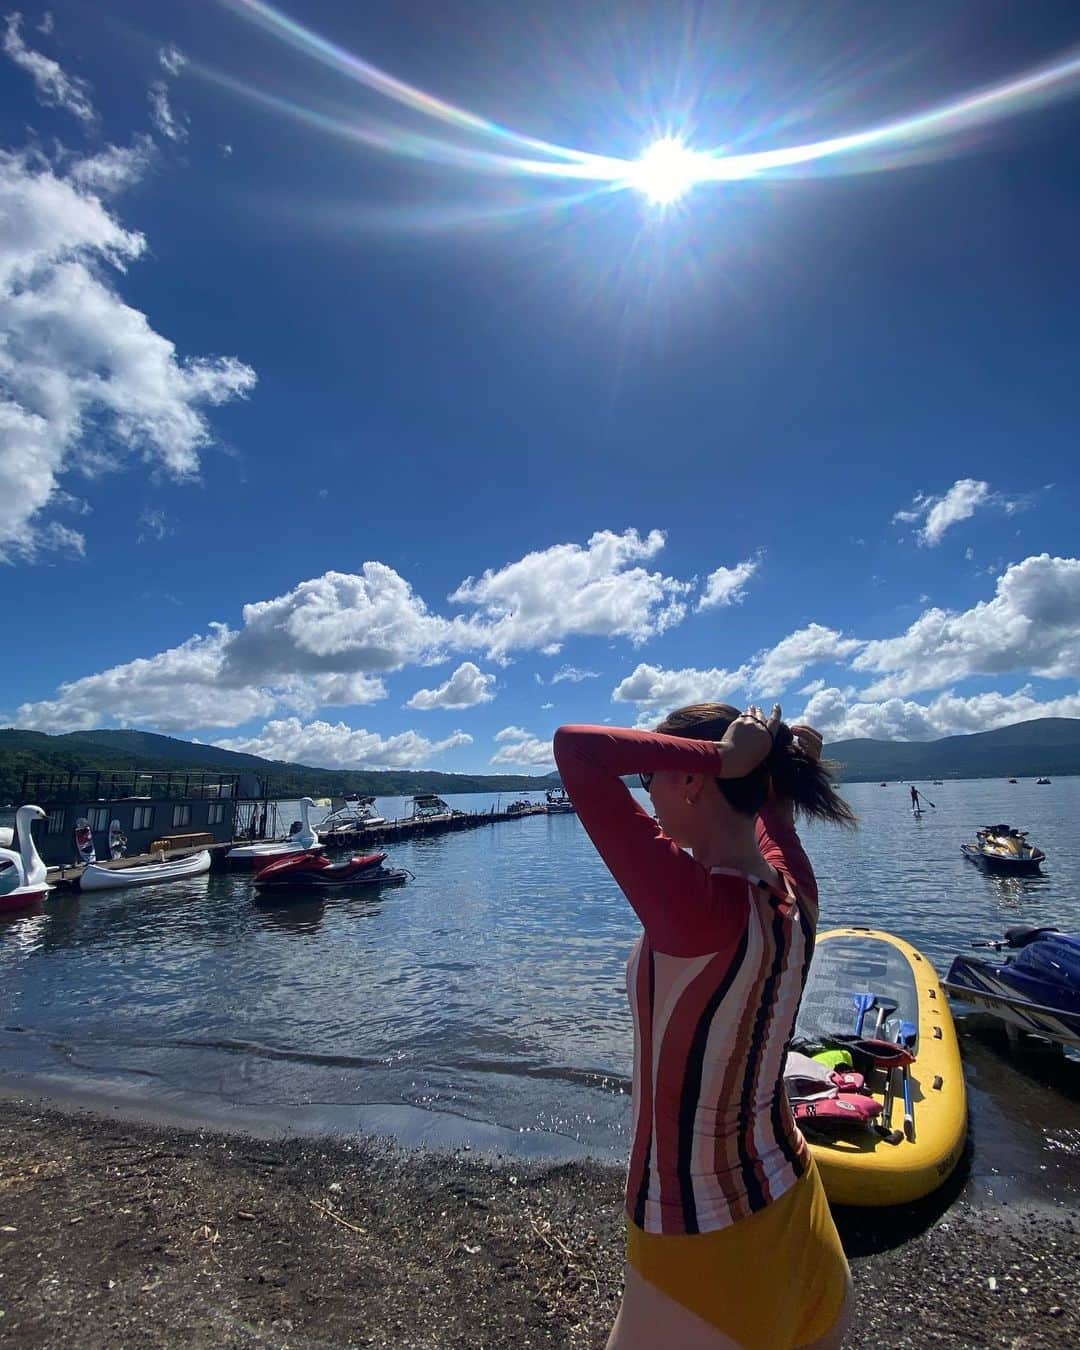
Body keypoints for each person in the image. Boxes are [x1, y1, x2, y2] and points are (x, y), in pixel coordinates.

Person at [553, 703, 856, 1350]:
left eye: (650, 776)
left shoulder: (699, 912)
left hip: (703, 1249)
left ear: (689, 780)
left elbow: (577, 751)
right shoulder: (791, 888)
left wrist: (720, 757)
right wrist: (759, 763)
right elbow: (768, 818)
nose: (646, 790)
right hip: (800, 1219)